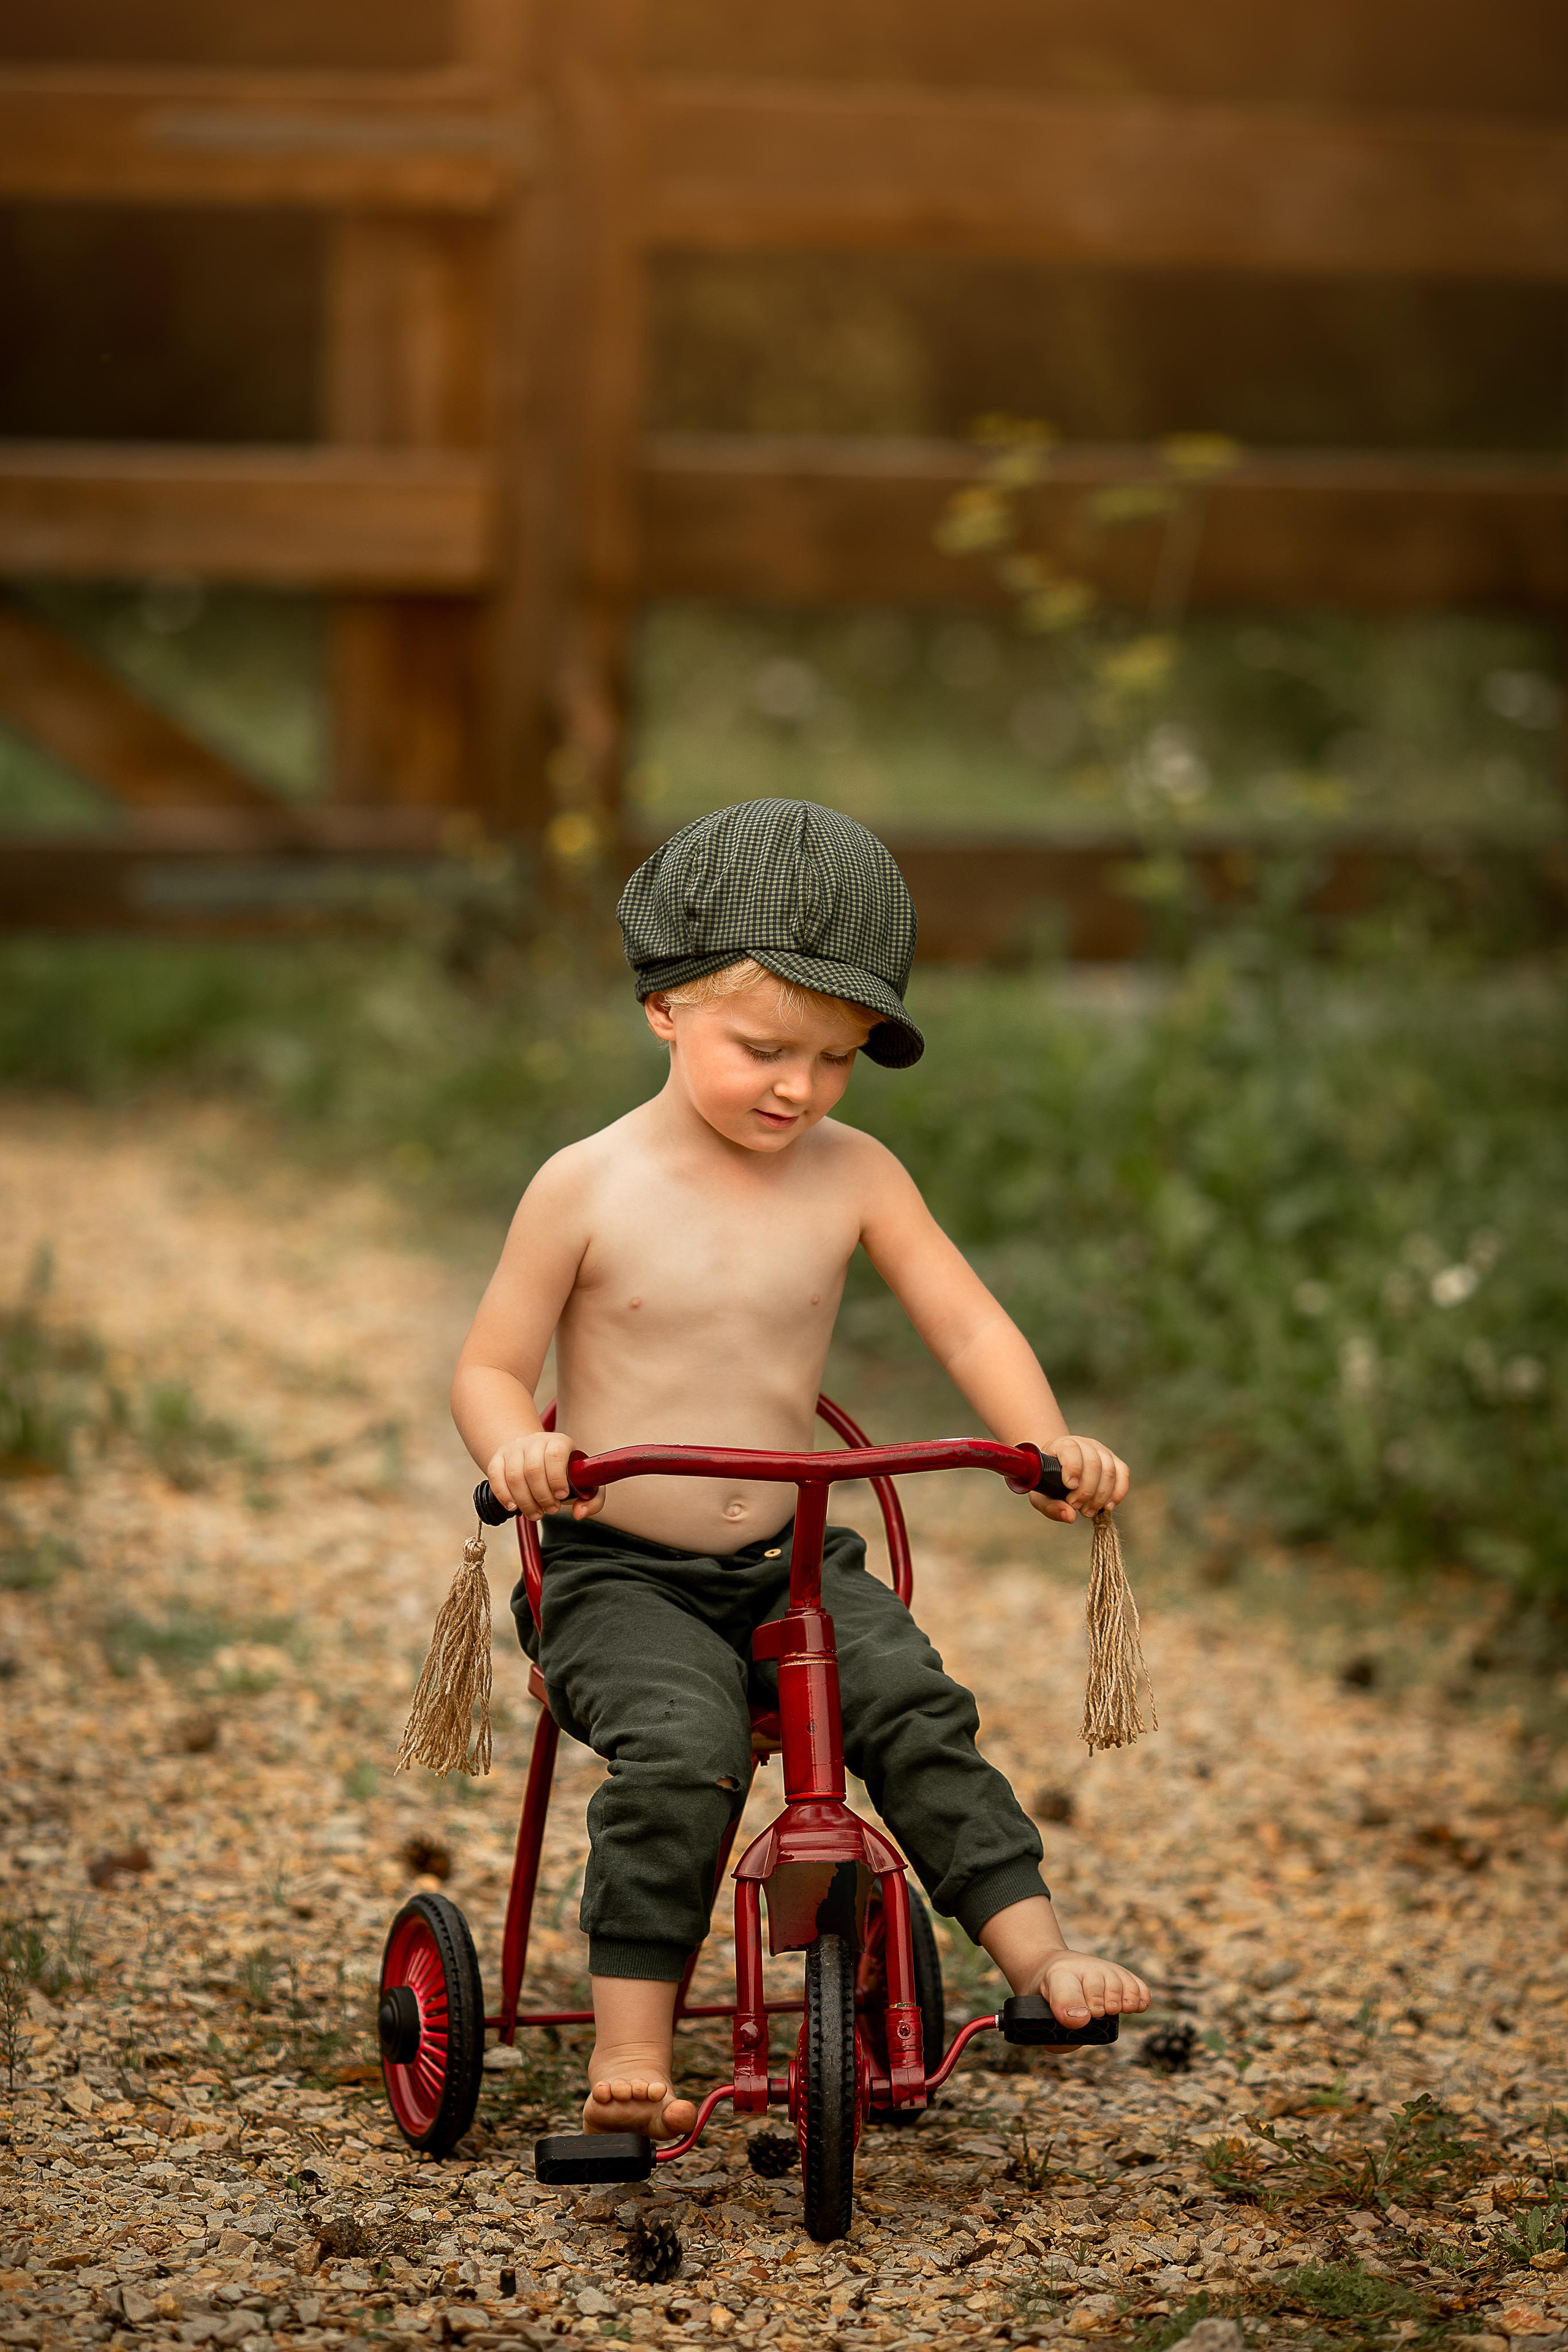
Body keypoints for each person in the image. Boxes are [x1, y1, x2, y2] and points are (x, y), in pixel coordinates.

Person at [451, 797, 1148, 2141]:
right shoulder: (584, 1186)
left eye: (834, 1060)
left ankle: (1037, 1955)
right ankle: (634, 2048)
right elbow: (488, 1364)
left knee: (910, 1703)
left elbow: (963, 1317)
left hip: (794, 1562)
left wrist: (1041, 1440)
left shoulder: (855, 1174)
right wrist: (518, 1448)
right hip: (616, 1574)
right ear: (663, 1009)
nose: (799, 1088)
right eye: (763, 1048)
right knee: (683, 1746)